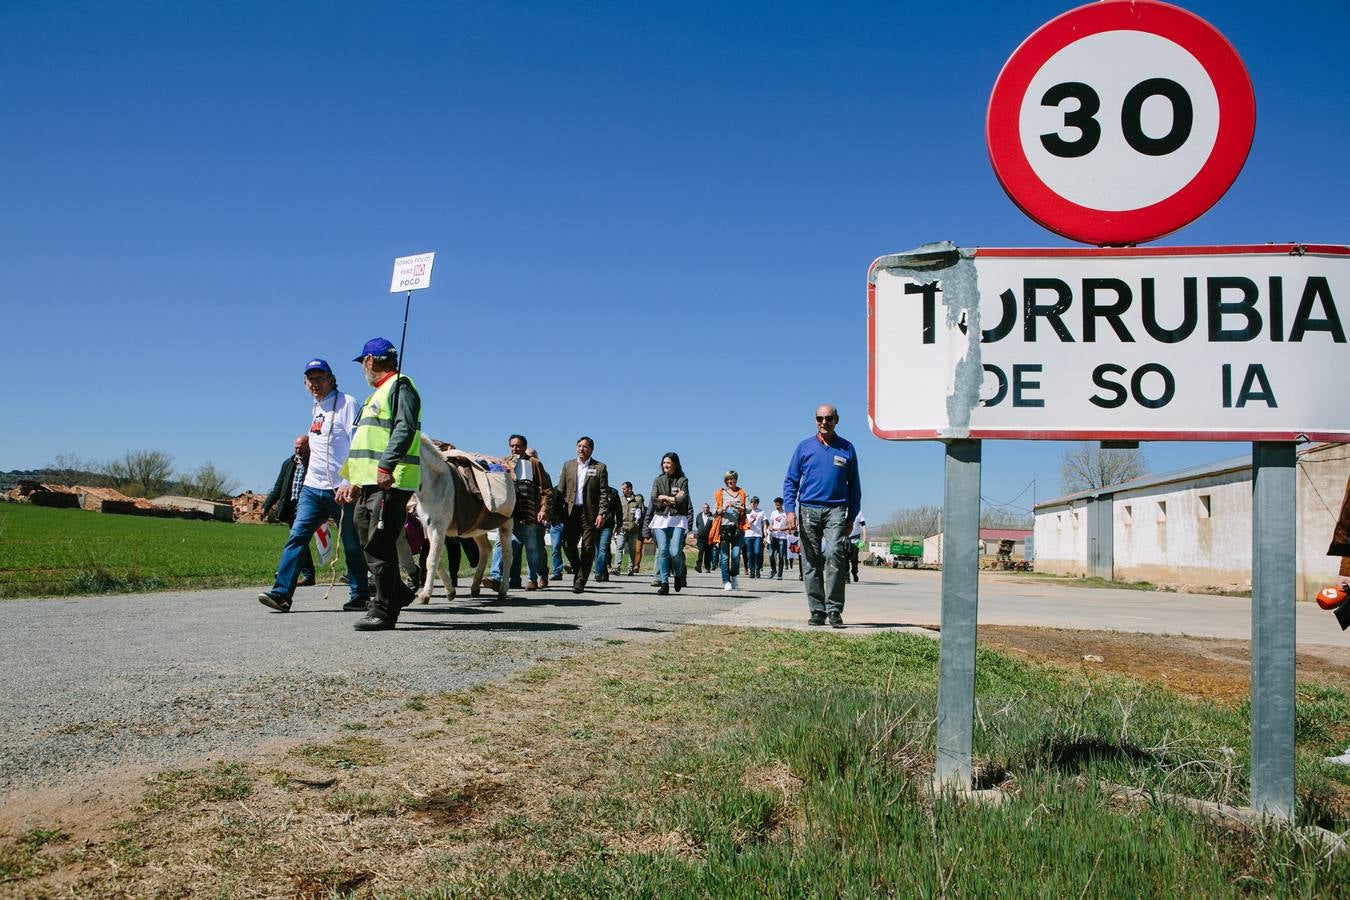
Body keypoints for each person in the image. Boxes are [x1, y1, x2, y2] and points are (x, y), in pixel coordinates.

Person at [258, 359, 370, 614]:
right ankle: (282, 594)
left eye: (320, 378)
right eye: (310, 380)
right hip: (312, 487)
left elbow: (358, 443)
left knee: (352, 543)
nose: (315, 384)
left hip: (339, 488)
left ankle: (360, 594)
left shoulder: (347, 403)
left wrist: (350, 481)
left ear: (331, 379)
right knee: (297, 536)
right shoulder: (316, 408)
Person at [335, 338, 422, 631]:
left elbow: (405, 428)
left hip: (390, 482)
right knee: (367, 540)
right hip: (368, 484)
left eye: (363, 364)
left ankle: (383, 610)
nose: (363, 370)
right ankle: (399, 592)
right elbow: (365, 443)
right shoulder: (378, 394)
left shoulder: (400, 387)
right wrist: (353, 481)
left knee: (380, 546)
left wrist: (387, 465)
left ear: (370, 361)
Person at [782, 404, 861, 628]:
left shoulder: (847, 448)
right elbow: (790, 481)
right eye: (819, 418)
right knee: (811, 560)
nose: (823, 422)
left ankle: (834, 609)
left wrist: (851, 517)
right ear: (815, 420)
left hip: (836, 509)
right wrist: (790, 511)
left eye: (828, 418)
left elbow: (854, 485)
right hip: (808, 508)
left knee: (836, 553)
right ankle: (817, 610)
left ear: (836, 420)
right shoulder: (804, 447)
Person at [485, 435, 554, 592]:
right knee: (500, 543)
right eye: (512, 446)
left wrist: (543, 509)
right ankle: (495, 576)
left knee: (532, 546)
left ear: (524, 447)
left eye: (518, 446)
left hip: (528, 512)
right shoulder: (504, 463)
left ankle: (532, 579)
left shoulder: (534, 463)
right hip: (508, 512)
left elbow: (546, 490)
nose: (515, 449)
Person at [553, 436, 610, 593]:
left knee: (588, 547)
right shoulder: (568, 465)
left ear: (591, 449)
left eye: (585, 447)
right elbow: (561, 490)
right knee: (567, 544)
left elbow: (603, 494)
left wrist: (602, 514)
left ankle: (580, 581)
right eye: (579, 446)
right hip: (570, 512)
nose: (581, 449)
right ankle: (578, 569)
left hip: (589, 513)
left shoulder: (599, 467)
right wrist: (557, 513)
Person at [263, 436, 315, 587]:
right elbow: (278, 487)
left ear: (309, 447)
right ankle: (308, 575)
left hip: (308, 506)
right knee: (299, 539)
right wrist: (266, 505)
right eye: (296, 447)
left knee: (297, 539)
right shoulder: (288, 464)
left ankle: (288, 573)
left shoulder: (314, 464)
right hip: (292, 508)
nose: (298, 450)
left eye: (301, 447)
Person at [645, 452, 691, 595]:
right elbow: (654, 499)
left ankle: (678, 574)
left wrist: (664, 497)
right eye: (664, 462)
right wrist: (671, 499)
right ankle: (664, 583)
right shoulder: (658, 480)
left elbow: (682, 499)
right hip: (661, 519)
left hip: (678, 520)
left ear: (675, 464)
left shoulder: (683, 480)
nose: (666, 465)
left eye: (669, 462)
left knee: (675, 551)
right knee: (663, 550)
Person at [710, 470, 748, 591]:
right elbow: (714, 511)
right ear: (726, 481)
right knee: (725, 556)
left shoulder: (742, 493)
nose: (731, 481)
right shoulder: (720, 493)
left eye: (733, 479)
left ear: (736, 479)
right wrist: (722, 509)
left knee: (736, 555)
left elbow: (749, 510)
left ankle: (734, 576)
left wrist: (739, 507)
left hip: (738, 529)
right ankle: (726, 581)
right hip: (723, 528)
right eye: (728, 479)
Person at [593, 483, 622, 582]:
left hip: (608, 525)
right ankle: (603, 572)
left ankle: (598, 572)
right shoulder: (592, 490)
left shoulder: (613, 492)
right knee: (597, 550)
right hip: (594, 525)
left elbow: (618, 509)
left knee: (603, 549)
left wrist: (619, 524)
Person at [616, 481, 647, 575]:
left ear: (630, 489)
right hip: (622, 527)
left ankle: (630, 569)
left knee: (632, 549)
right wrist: (616, 526)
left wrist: (638, 522)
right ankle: (617, 568)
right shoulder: (620, 499)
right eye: (622, 489)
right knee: (619, 547)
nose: (622, 490)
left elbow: (642, 512)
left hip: (634, 529)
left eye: (624, 489)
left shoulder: (638, 500)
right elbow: (616, 514)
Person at [767, 496, 791, 580]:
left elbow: (789, 526)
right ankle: (773, 570)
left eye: (778, 505)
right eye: (775, 505)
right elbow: (771, 523)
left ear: (781, 504)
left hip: (782, 537)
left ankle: (780, 574)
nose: (776, 507)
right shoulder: (773, 513)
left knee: (781, 556)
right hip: (774, 537)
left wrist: (780, 529)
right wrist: (770, 527)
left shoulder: (786, 514)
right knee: (771, 555)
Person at [744, 496, 768, 579]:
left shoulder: (761, 512)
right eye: (752, 502)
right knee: (749, 554)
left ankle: (757, 570)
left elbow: (765, 524)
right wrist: (749, 523)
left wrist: (765, 534)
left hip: (758, 535)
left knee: (757, 553)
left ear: (758, 503)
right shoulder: (747, 512)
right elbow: (743, 523)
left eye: (755, 502)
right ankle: (752, 571)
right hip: (748, 535)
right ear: (750, 503)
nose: (753, 504)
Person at [694, 502, 715, 573]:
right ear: (702, 509)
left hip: (709, 538)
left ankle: (707, 567)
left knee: (708, 554)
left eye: (707, 508)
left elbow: (714, 526)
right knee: (700, 552)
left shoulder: (712, 516)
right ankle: (698, 566)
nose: (706, 509)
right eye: (704, 508)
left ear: (709, 509)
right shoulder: (699, 516)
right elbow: (697, 524)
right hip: (700, 538)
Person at [848, 511, 868, 582]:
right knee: (844, 558)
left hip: (856, 539)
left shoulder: (858, 512)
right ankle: (846, 576)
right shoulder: (842, 510)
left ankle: (854, 572)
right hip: (845, 538)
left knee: (854, 559)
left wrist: (864, 538)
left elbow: (863, 525)